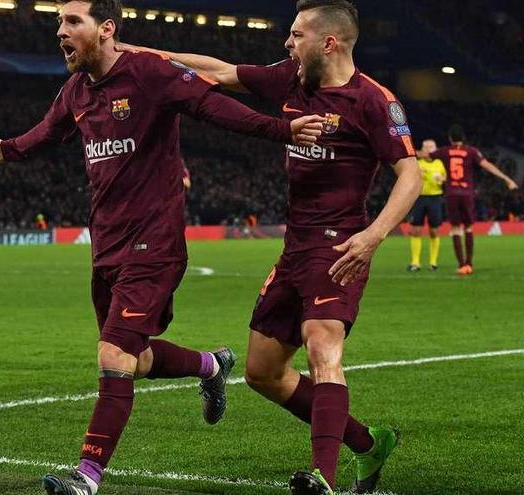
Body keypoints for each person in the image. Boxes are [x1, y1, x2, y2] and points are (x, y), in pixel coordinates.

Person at [0, 2, 325, 494]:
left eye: (71, 21)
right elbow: (48, 132)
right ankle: (212, 364)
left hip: (154, 242)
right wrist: (6, 148)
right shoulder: (77, 89)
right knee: (135, 360)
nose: (60, 31)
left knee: (113, 354)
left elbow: (213, 105)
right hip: (107, 247)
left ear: (106, 29)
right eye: (58, 22)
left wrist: (280, 128)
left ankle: (87, 477)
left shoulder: (149, 72)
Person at [118, 1, 422, 493]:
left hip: (340, 246)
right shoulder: (289, 79)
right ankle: (368, 444)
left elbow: (410, 175)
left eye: (297, 34)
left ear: (330, 42)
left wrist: (373, 235)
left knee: (324, 346)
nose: (287, 42)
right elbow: (215, 70)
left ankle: (320, 476)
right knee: (262, 371)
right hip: (295, 249)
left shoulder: (374, 101)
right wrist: (137, 53)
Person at [418, 124, 518, 275]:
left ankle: (461, 265)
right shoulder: (471, 151)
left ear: (450, 138)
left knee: (456, 229)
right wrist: (506, 178)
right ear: (463, 138)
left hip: (452, 194)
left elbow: (423, 156)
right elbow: (487, 166)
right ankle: (469, 264)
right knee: (469, 228)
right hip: (466, 193)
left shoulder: (444, 151)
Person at [408, 139, 445, 271]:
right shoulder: (417, 164)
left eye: (431, 147)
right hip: (419, 198)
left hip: (435, 198)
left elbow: (447, 179)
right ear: (422, 149)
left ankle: (433, 263)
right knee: (416, 230)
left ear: (436, 149)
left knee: (434, 231)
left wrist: (442, 179)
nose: (429, 149)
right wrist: (417, 176)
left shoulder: (440, 163)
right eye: (426, 147)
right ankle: (415, 262)